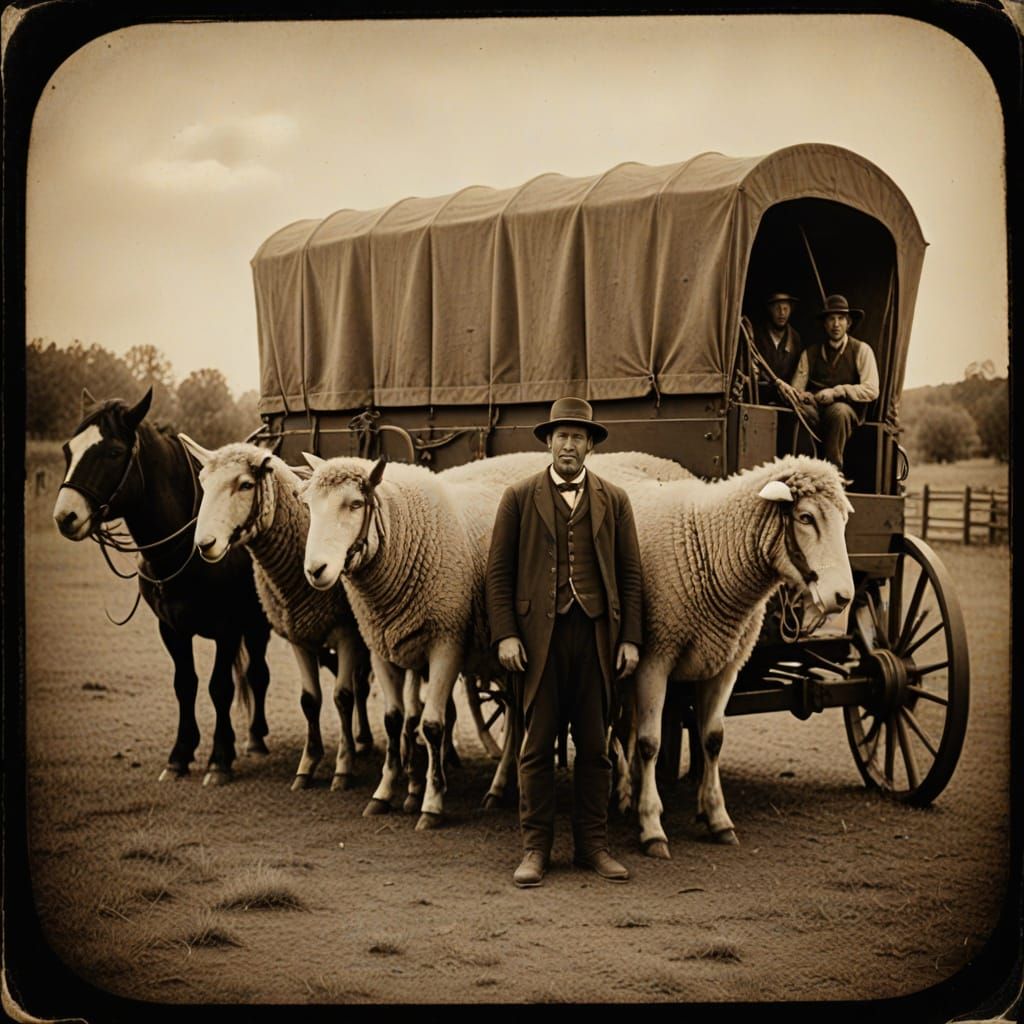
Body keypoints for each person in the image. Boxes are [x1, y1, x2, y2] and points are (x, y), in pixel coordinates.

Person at [485, 397, 643, 889]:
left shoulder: (615, 499)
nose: (568, 445)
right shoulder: (518, 497)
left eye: (577, 437)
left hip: (596, 638)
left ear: (590, 445)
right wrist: (506, 634)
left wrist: (630, 640)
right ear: (549, 443)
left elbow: (631, 576)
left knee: (595, 747)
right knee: (535, 746)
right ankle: (535, 848)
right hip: (539, 642)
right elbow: (498, 574)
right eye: (561, 437)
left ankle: (593, 846)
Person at [779, 293, 880, 469]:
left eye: (841, 318)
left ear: (848, 322)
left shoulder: (862, 350)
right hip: (816, 409)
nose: (836, 324)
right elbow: (797, 389)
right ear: (824, 324)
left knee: (839, 412)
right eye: (831, 319)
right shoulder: (810, 353)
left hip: (846, 411)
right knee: (799, 410)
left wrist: (837, 392)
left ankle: (833, 472)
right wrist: (805, 397)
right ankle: (802, 470)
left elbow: (871, 389)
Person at [751, 292, 802, 405]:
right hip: (759, 398)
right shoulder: (757, 335)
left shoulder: (795, 339)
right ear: (770, 309)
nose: (782, 313)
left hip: (785, 399)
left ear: (791, 310)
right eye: (777, 308)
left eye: (785, 308)